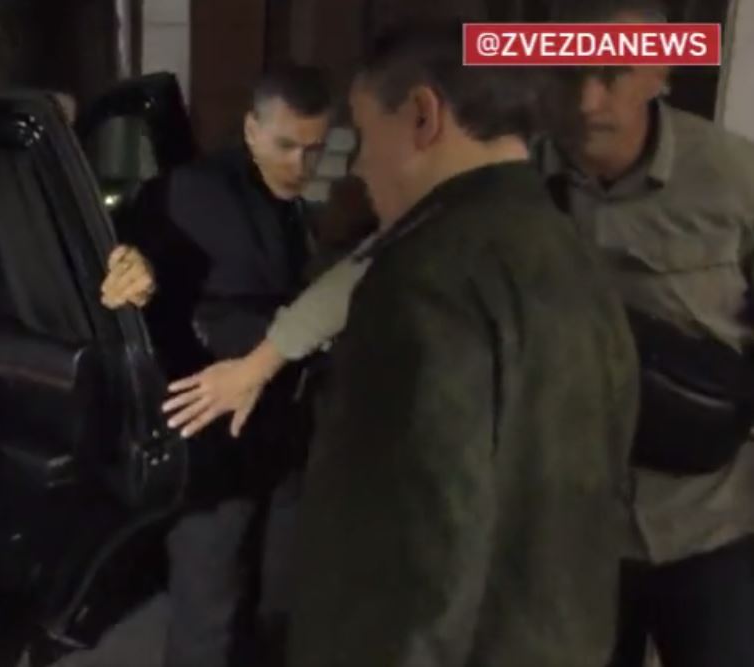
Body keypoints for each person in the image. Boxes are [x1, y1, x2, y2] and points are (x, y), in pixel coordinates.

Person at [253, 22, 635, 666]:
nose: (358, 167)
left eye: (364, 135)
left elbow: (409, 557)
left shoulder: (424, 277)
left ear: (423, 115)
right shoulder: (576, 255)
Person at [536, 2, 754, 664]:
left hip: (711, 525)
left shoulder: (732, 174)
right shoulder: (509, 180)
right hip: (570, 530)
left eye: (612, 74)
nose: (587, 100)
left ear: (660, 72)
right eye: (568, 73)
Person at [120, 65, 332, 667]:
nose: (300, 164)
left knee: (274, 599)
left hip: (284, 430)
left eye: (314, 149)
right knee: (210, 610)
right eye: (285, 145)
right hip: (214, 430)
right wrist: (137, 270)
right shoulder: (197, 190)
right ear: (251, 129)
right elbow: (148, 253)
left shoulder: (291, 205)